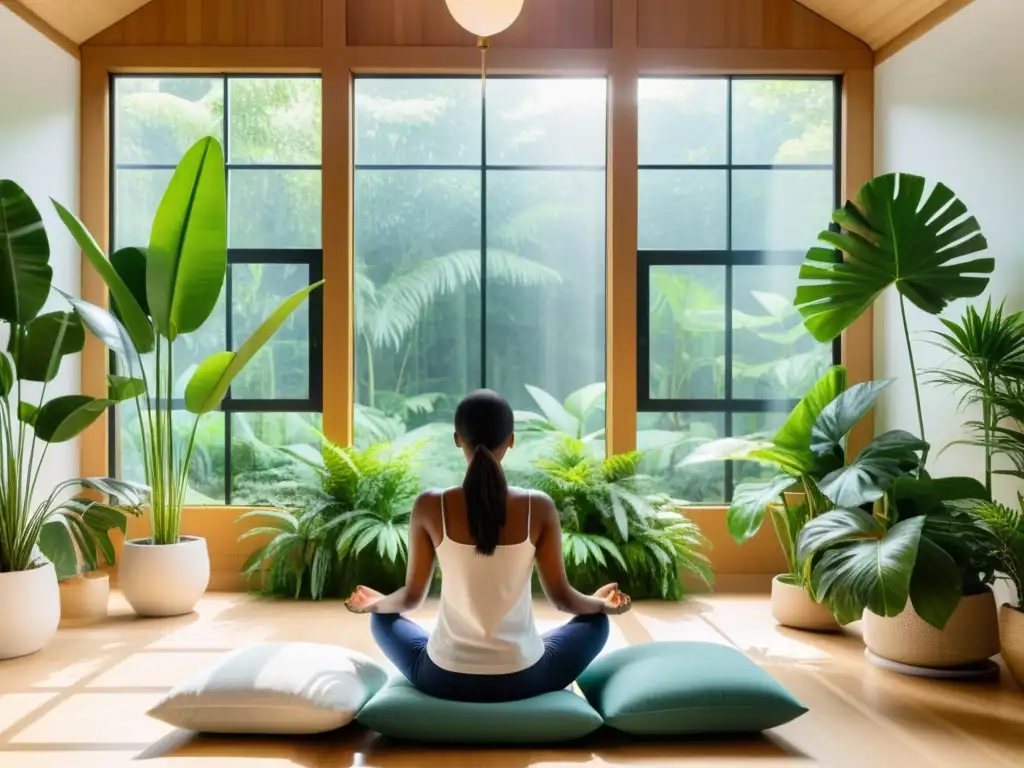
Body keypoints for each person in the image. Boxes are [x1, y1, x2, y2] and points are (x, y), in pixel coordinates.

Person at [344, 388, 631, 703]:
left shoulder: (429, 506)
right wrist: (599, 604)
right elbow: (563, 601)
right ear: (511, 439)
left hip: (443, 678)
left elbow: (411, 599)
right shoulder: (539, 507)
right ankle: (527, 646)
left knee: (382, 617)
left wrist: (375, 604)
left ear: (457, 439)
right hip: (525, 678)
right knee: (596, 623)